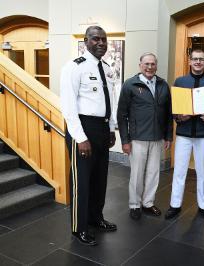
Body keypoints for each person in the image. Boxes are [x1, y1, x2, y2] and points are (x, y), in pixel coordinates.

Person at [60, 26, 117, 246]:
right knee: (81, 182)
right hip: (82, 129)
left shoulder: (106, 67)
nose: (101, 42)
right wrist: (80, 137)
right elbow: (68, 106)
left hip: (102, 128)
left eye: (104, 39)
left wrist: (111, 128)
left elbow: (109, 100)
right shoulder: (74, 68)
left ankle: (96, 218)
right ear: (86, 41)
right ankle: (79, 227)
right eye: (96, 39)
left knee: (100, 179)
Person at [165, 49, 204, 220]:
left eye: (201, 59)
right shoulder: (180, 81)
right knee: (179, 171)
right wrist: (179, 117)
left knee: (203, 171)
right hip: (184, 134)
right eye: (194, 59)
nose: (197, 62)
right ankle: (175, 204)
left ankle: (203, 205)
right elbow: (173, 109)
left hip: (203, 134)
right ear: (189, 61)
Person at [117, 52, 173, 220]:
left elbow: (168, 113)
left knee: (153, 173)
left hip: (157, 138)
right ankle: (134, 204)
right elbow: (122, 115)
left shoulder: (163, 85)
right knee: (137, 174)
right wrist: (125, 140)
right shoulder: (130, 85)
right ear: (140, 65)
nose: (150, 67)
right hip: (137, 139)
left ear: (156, 65)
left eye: (153, 64)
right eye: (146, 64)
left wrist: (168, 136)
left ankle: (148, 203)